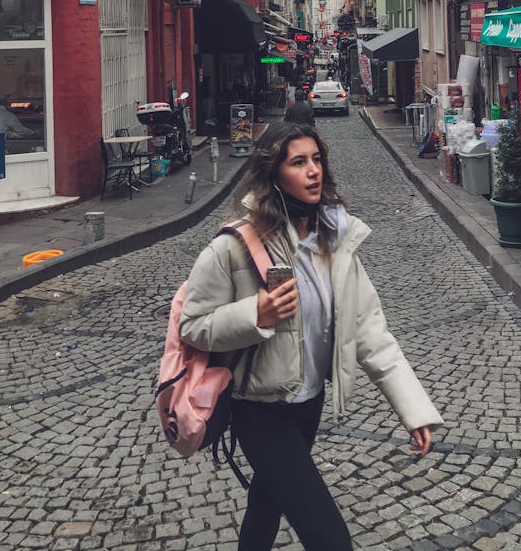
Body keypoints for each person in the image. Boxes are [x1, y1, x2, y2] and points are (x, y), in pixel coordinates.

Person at [179, 122, 443, 550]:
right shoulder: (234, 247)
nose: (313, 171)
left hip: (308, 405)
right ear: (273, 174)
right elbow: (192, 326)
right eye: (298, 162)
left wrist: (413, 410)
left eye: (317, 160)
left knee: (266, 502)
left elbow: (370, 331)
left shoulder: (333, 243)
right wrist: (255, 312)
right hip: (259, 411)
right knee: (329, 538)